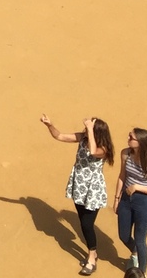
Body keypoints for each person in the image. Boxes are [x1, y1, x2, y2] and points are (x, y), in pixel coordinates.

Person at [40, 114, 112, 276]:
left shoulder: (103, 148)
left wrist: (90, 129)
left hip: (92, 190)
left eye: (89, 128)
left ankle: (92, 256)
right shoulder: (83, 138)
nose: (85, 129)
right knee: (83, 221)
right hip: (79, 186)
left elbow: (93, 152)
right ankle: (92, 253)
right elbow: (59, 136)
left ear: (97, 132)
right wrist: (49, 125)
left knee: (87, 224)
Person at [115, 128, 147, 275]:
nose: (128, 138)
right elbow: (122, 176)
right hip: (125, 199)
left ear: (141, 143)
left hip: (143, 203)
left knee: (140, 239)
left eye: (131, 137)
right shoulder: (125, 154)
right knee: (123, 235)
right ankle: (134, 252)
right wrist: (117, 198)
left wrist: (137, 187)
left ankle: (142, 273)